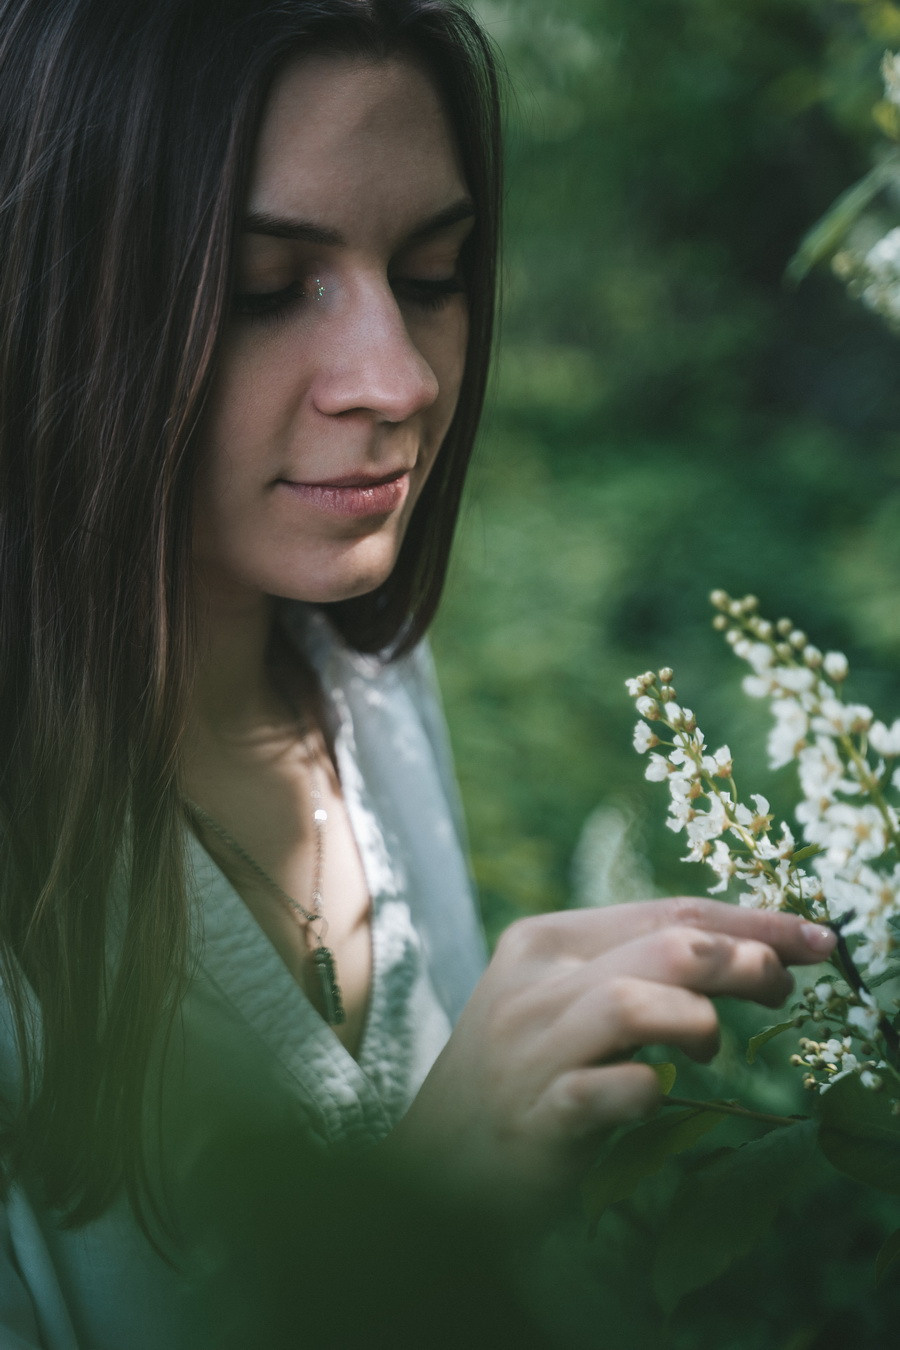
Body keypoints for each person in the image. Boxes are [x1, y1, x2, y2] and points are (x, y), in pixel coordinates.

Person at [0, 0, 838, 1345]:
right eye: (268, 287)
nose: (397, 380)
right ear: (55, 295)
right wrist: (432, 1190)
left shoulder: (367, 686)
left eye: (435, 272)